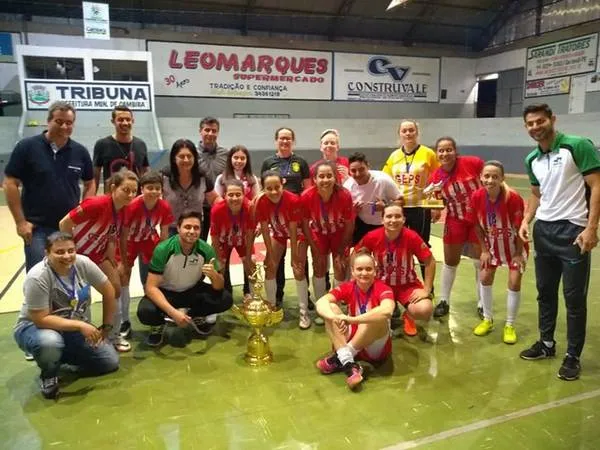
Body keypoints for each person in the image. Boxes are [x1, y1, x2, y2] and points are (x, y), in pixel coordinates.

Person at [518, 103, 600, 381]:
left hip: (573, 232)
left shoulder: (577, 146)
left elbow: (596, 185)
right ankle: (547, 344)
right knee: (545, 292)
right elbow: (536, 194)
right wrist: (525, 220)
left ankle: (573, 355)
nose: (535, 127)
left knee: (574, 298)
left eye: (540, 121)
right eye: (530, 123)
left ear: (552, 120)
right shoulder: (532, 159)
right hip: (544, 232)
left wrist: (591, 228)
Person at [13, 232, 119, 399]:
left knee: (109, 361)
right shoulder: (38, 276)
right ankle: (49, 374)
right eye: (59, 252)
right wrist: (81, 325)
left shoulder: (83, 264)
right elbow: (41, 319)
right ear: (47, 253)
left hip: (70, 328)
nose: (67, 256)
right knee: (50, 341)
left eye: (71, 250)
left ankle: (58, 356)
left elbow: (109, 291)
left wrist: (106, 326)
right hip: (35, 328)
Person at [3, 101, 95, 273]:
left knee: (72, 275)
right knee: (40, 277)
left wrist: (83, 213)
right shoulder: (27, 147)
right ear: (48, 121)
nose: (64, 126)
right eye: (59, 121)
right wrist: (20, 222)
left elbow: (90, 182)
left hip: (69, 226)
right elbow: (10, 183)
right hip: (37, 229)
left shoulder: (80, 151)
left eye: (69, 123)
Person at [59, 169, 139, 353]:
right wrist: (70, 254)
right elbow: (64, 224)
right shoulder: (97, 203)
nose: (131, 195)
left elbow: (112, 236)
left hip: (98, 255)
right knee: (81, 297)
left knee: (115, 289)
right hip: (77, 257)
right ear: (113, 188)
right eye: (126, 190)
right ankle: (81, 337)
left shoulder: (124, 210)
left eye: (134, 191)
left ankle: (112, 335)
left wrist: (112, 261)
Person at [137, 210, 233, 347]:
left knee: (225, 299)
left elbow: (218, 286)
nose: (192, 231)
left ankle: (194, 315)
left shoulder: (206, 250)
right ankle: (159, 324)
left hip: (192, 290)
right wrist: (173, 313)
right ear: (178, 228)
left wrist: (214, 275)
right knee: (145, 311)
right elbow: (150, 287)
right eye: (187, 227)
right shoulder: (163, 249)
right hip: (167, 292)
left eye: (196, 228)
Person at [466, 161, 528, 344]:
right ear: (481, 178)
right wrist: (484, 250)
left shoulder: (513, 198)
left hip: (514, 246)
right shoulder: (476, 197)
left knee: (514, 281)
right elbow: (476, 226)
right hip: (492, 247)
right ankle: (487, 319)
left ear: (502, 178)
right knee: (485, 277)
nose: (490, 180)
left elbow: (519, 229)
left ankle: (509, 324)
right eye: (486, 176)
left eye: (495, 176)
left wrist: (517, 254)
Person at [315, 249, 395, 390]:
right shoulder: (348, 287)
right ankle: (350, 365)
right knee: (331, 309)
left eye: (368, 269)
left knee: (376, 318)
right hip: (352, 337)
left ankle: (342, 357)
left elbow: (387, 310)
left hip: (374, 346)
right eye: (359, 269)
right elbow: (321, 302)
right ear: (352, 272)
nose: (364, 273)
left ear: (375, 272)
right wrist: (335, 318)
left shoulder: (383, 288)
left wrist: (352, 320)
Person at [426, 137, 484, 319]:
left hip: (478, 220)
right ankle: (444, 301)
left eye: (448, 149)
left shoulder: (472, 163)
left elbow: (492, 182)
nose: (445, 153)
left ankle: (483, 302)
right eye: (441, 150)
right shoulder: (436, 176)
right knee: (450, 261)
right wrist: (434, 210)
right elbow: (438, 202)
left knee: (479, 260)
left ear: (455, 151)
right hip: (455, 219)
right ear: (437, 153)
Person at [357, 204, 435, 336]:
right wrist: (360, 281)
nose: (393, 220)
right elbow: (357, 255)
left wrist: (426, 289)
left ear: (404, 219)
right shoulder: (372, 236)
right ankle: (388, 310)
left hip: (407, 285)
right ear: (382, 220)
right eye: (389, 216)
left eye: (397, 216)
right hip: (381, 285)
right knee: (366, 312)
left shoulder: (411, 236)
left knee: (425, 310)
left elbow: (430, 261)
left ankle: (408, 316)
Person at [117, 170, 174, 339]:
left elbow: (164, 234)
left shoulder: (164, 206)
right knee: (123, 277)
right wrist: (124, 260)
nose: (154, 192)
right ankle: (124, 320)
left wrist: (163, 256)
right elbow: (124, 234)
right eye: (150, 188)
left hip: (149, 240)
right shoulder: (132, 206)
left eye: (158, 188)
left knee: (156, 277)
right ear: (142, 189)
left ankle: (156, 314)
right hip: (129, 242)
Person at [383, 120, 439, 279]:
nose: (408, 133)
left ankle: (429, 289)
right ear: (399, 134)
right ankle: (402, 282)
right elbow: (386, 181)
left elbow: (437, 181)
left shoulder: (428, 154)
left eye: (411, 130)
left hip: (420, 208)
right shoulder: (394, 156)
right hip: (399, 209)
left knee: (422, 247)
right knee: (398, 247)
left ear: (417, 132)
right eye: (404, 131)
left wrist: (435, 206)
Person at [261, 127, 311, 307]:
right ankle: (278, 296)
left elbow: (307, 188)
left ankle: (306, 298)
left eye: (288, 138)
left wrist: (306, 215)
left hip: (297, 218)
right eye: (281, 138)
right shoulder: (268, 162)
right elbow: (264, 190)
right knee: (276, 260)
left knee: (299, 260)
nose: (285, 141)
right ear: (276, 141)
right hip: (277, 220)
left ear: (293, 141)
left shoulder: (300, 161)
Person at [254, 171, 310, 328]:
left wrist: (294, 256)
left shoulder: (292, 199)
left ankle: (303, 312)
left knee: (298, 269)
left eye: (276, 187)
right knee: (269, 267)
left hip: (297, 235)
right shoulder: (262, 202)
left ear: (282, 184)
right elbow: (265, 229)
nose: (273, 192)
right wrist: (270, 255)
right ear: (263, 188)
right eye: (268, 188)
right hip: (278, 233)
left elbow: (293, 230)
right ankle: (271, 308)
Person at [301, 161, 354, 301]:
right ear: (315, 179)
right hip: (318, 233)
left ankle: (336, 303)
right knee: (319, 265)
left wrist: (342, 250)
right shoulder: (306, 196)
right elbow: (305, 225)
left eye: (329, 176)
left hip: (339, 233)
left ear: (335, 178)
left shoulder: (345, 195)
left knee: (340, 266)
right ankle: (321, 303)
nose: (325, 180)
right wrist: (313, 246)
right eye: (321, 176)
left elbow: (349, 224)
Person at [162, 139, 220, 235]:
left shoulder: (203, 177)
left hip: (195, 229)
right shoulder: (164, 177)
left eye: (189, 156)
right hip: (170, 229)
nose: (186, 160)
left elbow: (214, 199)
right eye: (181, 156)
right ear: (174, 158)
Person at [210, 179, 256, 299]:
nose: (234, 198)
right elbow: (214, 235)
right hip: (222, 241)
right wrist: (219, 258)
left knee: (252, 264)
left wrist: (249, 257)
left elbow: (251, 233)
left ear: (244, 194)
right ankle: (225, 292)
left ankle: (249, 293)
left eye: (238, 194)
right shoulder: (217, 210)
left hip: (243, 239)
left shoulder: (250, 207)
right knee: (219, 266)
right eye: (230, 195)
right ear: (224, 195)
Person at [344, 152, 402, 245]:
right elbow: (344, 213)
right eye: (353, 171)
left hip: (384, 224)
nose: (358, 174)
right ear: (349, 172)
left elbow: (401, 200)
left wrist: (387, 207)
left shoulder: (383, 179)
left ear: (368, 167)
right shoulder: (347, 186)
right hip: (361, 224)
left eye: (361, 169)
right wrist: (352, 211)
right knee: (360, 254)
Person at [92, 105, 149, 193]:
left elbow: (146, 174)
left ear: (133, 121)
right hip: (111, 200)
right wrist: (91, 201)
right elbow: (95, 176)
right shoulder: (102, 144)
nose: (125, 123)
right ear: (113, 121)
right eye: (120, 120)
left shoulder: (140, 144)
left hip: (135, 201)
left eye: (128, 119)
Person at [197, 117, 228, 241]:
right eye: (207, 130)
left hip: (219, 205)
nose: (210, 133)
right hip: (199, 206)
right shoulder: (192, 154)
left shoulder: (225, 154)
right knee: (199, 242)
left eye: (214, 131)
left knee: (222, 244)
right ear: (200, 131)